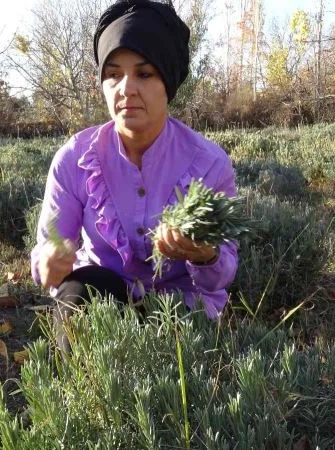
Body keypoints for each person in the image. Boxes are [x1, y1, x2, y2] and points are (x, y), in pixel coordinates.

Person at [30, 0, 238, 351]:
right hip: (103, 299)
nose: (126, 89)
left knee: (179, 370)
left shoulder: (210, 165)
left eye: (144, 73)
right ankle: (84, 399)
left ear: (167, 82)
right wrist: (50, 259)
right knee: (78, 291)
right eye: (113, 74)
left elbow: (224, 272)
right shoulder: (75, 158)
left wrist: (204, 254)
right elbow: (48, 246)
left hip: (180, 309)